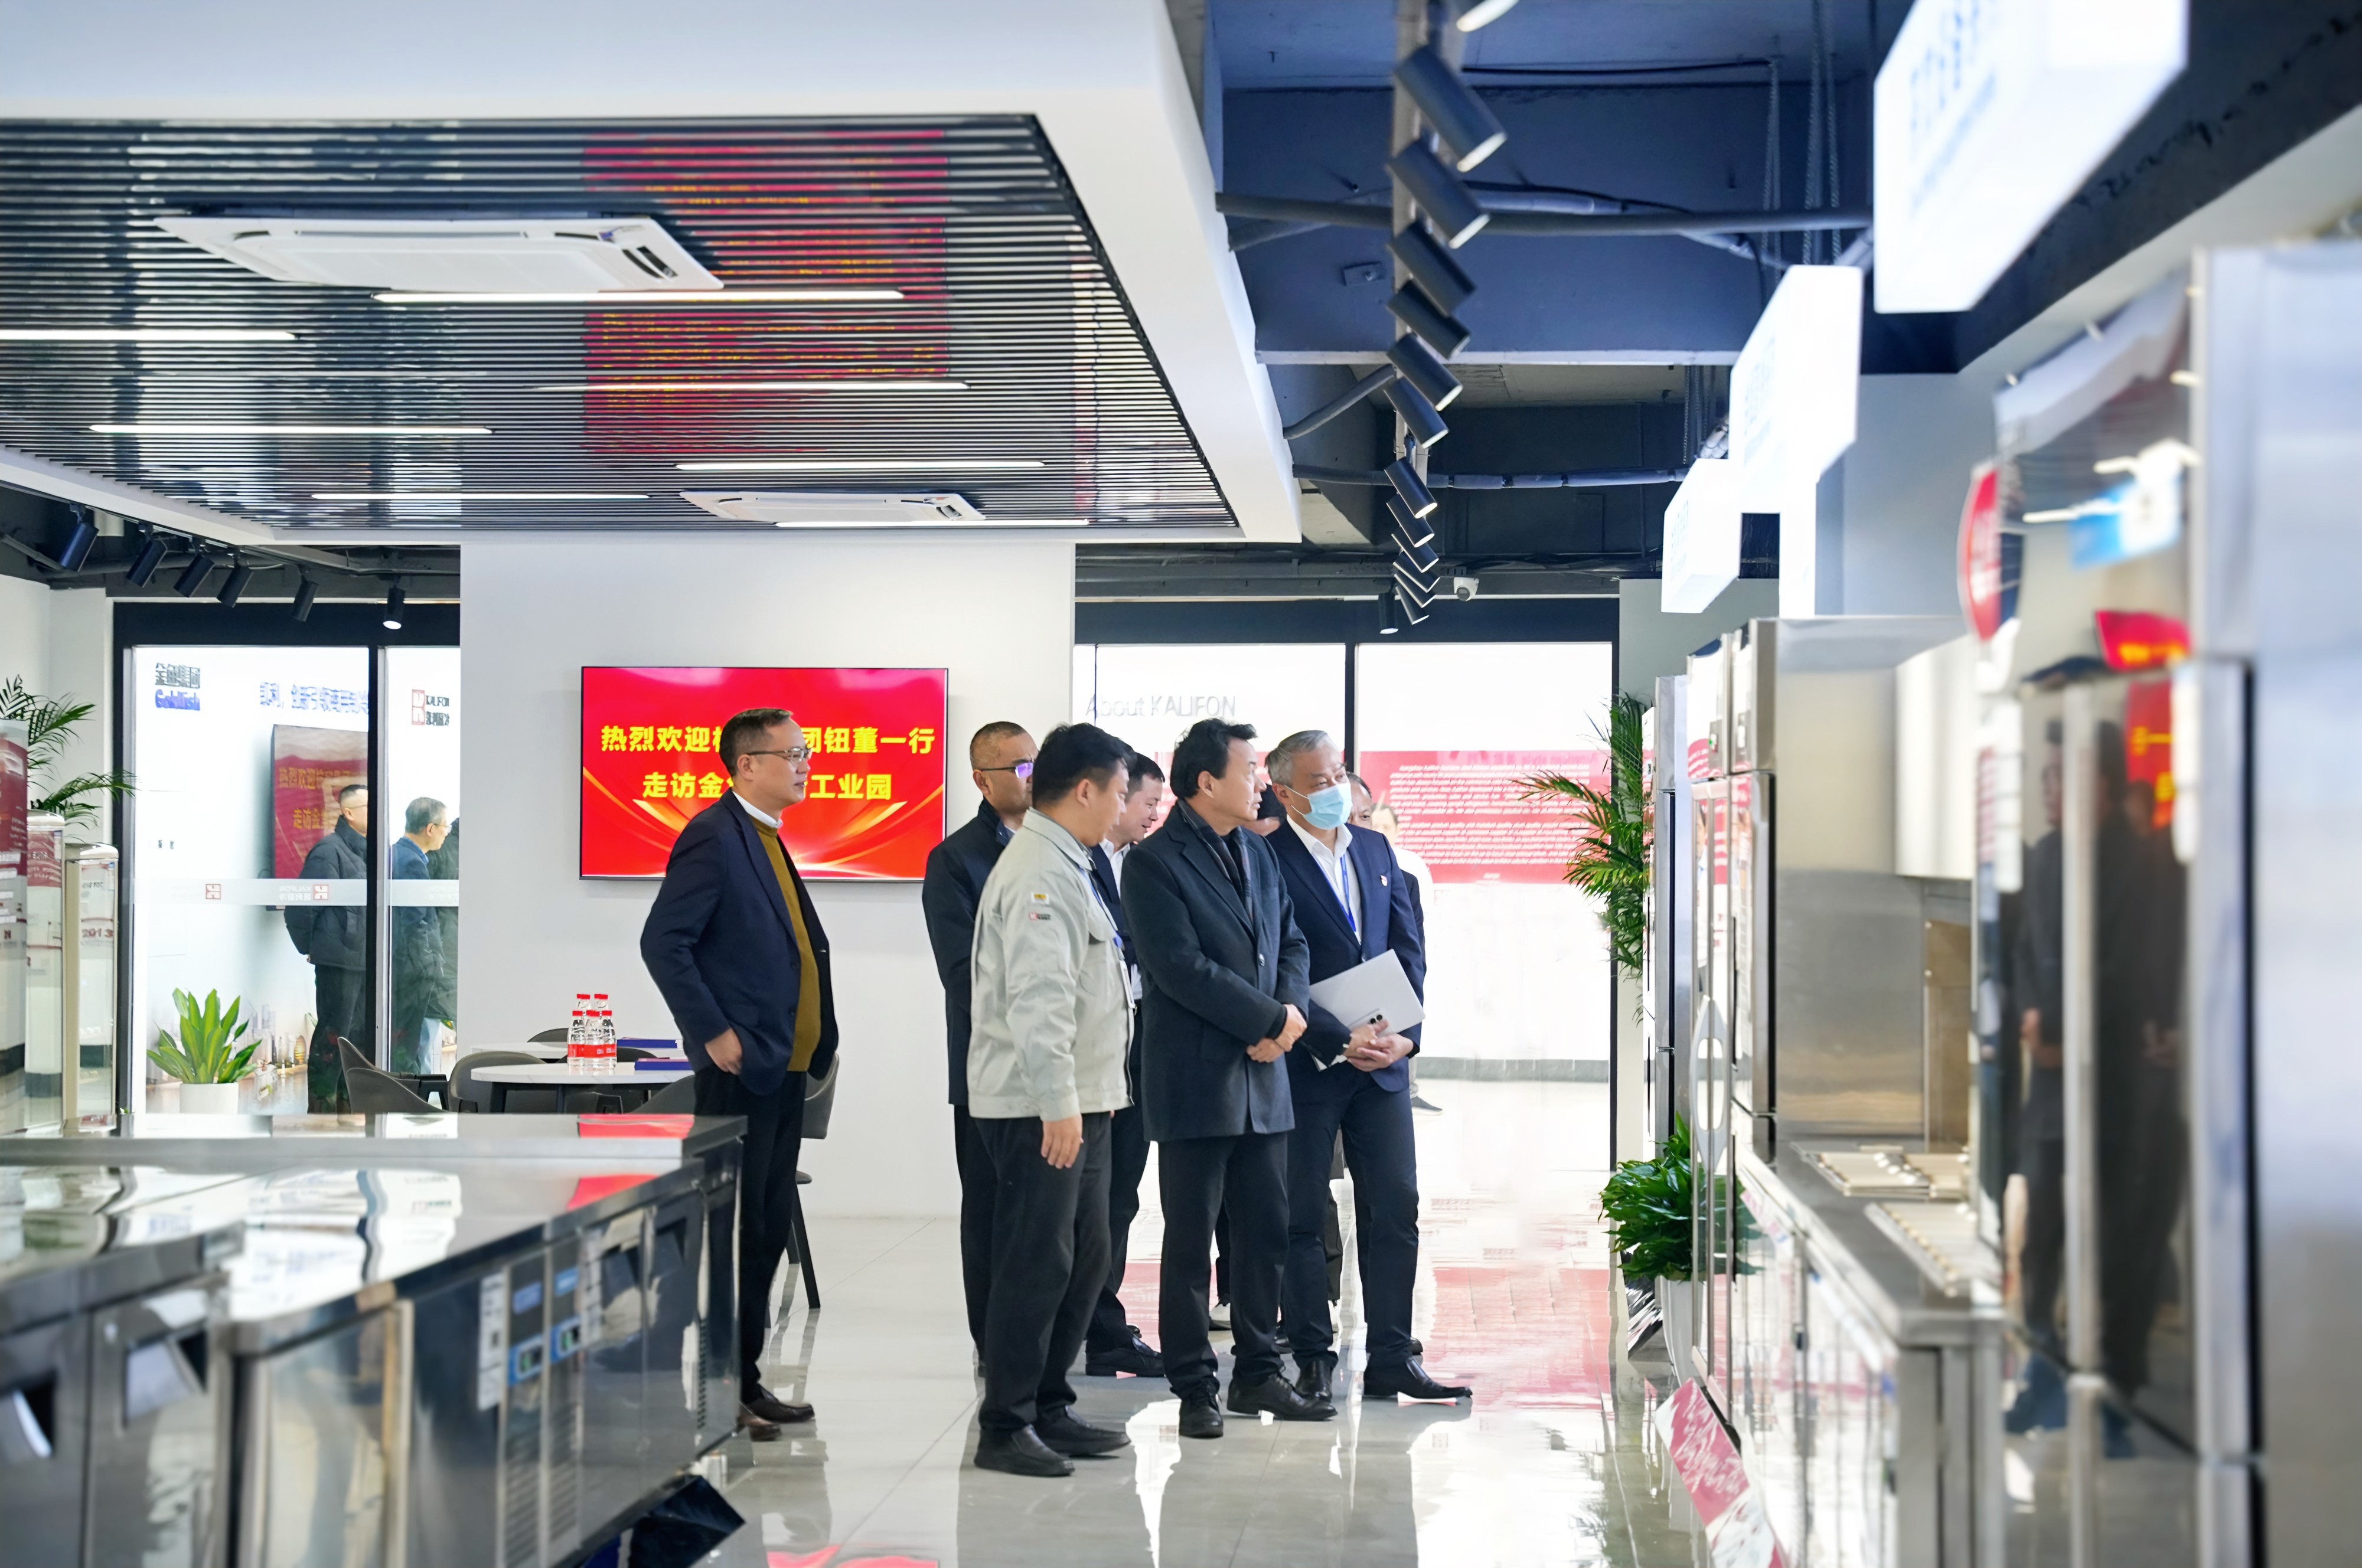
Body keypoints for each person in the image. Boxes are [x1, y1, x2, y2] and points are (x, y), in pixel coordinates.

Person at [1120, 717, 1328, 1438]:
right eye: (1248, 770)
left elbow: (1291, 940)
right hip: (1196, 1078)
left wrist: (1290, 1014)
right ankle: (1194, 1386)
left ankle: (1258, 1374)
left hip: (1264, 1079)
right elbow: (1179, 968)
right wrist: (1266, 1020)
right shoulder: (1153, 862)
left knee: (1265, 1234)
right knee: (1190, 1242)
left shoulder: (1257, 848)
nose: (1259, 782)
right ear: (1206, 781)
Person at [641, 707, 839, 1439]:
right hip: (742, 1068)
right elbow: (663, 941)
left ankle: (744, 1380)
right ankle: (723, 1387)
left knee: (764, 1231)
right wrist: (711, 1030)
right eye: (793, 753)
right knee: (737, 1234)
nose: (805, 764)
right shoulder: (714, 836)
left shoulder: (765, 836)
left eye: (806, 751)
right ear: (747, 763)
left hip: (782, 1069)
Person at [1264, 731, 1470, 1403]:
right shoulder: (1266, 858)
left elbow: (1409, 951)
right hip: (1309, 1064)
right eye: (1318, 781)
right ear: (1284, 792)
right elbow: (1272, 966)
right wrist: (1334, 1036)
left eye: (1339, 774)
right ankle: (1312, 1356)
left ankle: (1391, 1356)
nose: (1335, 788)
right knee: (1301, 1214)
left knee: (1396, 1208)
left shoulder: (1377, 850)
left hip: (1383, 1067)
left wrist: (1407, 1036)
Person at [965, 722, 1138, 1476]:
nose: (1124, 807)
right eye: (1121, 792)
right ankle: (1005, 1423)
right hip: (1040, 1106)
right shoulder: (1039, 869)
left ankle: (1047, 1404)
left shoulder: (1072, 861)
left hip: (1082, 1099)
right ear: (1086, 790)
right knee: (1036, 1262)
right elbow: (1039, 1000)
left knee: (1082, 1258)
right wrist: (1058, 1102)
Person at [922, 720, 1038, 1360]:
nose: (1031, 776)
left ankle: (1044, 1340)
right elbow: (963, 972)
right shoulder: (956, 858)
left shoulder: (1057, 846)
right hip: (989, 1067)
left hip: (1056, 1065)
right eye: (1017, 767)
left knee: (1045, 1214)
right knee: (993, 1209)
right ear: (981, 780)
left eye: (1034, 762)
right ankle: (993, 1342)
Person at [1084, 750, 1166, 1378]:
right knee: (1088, 1198)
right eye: (1144, 802)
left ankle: (1103, 1323)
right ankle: (1087, 1322)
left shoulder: (1141, 864)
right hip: (1092, 1049)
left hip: (1138, 1046)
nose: (1151, 815)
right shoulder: (1074, 864)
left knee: (1121, 1196)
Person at [285, 782, 369, 1112]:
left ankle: (351, 1113)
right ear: (349, 813)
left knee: (359, 1040)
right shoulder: (329, 851)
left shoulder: (370, 852)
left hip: (365, 960)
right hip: (339, 961)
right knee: (333, 1040)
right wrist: (312, 947)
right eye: (368, 808)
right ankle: (321, 1112)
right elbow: (301, 908)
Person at [389, 796, 455, 1075]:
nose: (446, 833)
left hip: (404, 967)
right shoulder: (412, 863)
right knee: (408, 1047)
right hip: (412, 971)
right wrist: (430, 964)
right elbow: (415, 923)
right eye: (445, 827)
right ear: (430, 829)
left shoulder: (398, 855)